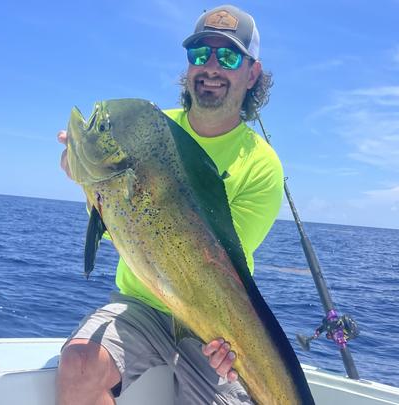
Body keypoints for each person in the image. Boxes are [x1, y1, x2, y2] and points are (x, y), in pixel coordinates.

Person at [56, 5, 283, 405]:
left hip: (210, 323)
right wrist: (84, 176)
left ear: (251, 74)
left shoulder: (262, 164)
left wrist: (227, 342)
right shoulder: (152, 131)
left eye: (227, 56)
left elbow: (219, 266)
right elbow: (119, 224)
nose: (210, 66)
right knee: (79, 363)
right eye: (200, 55)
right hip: (139, 305)